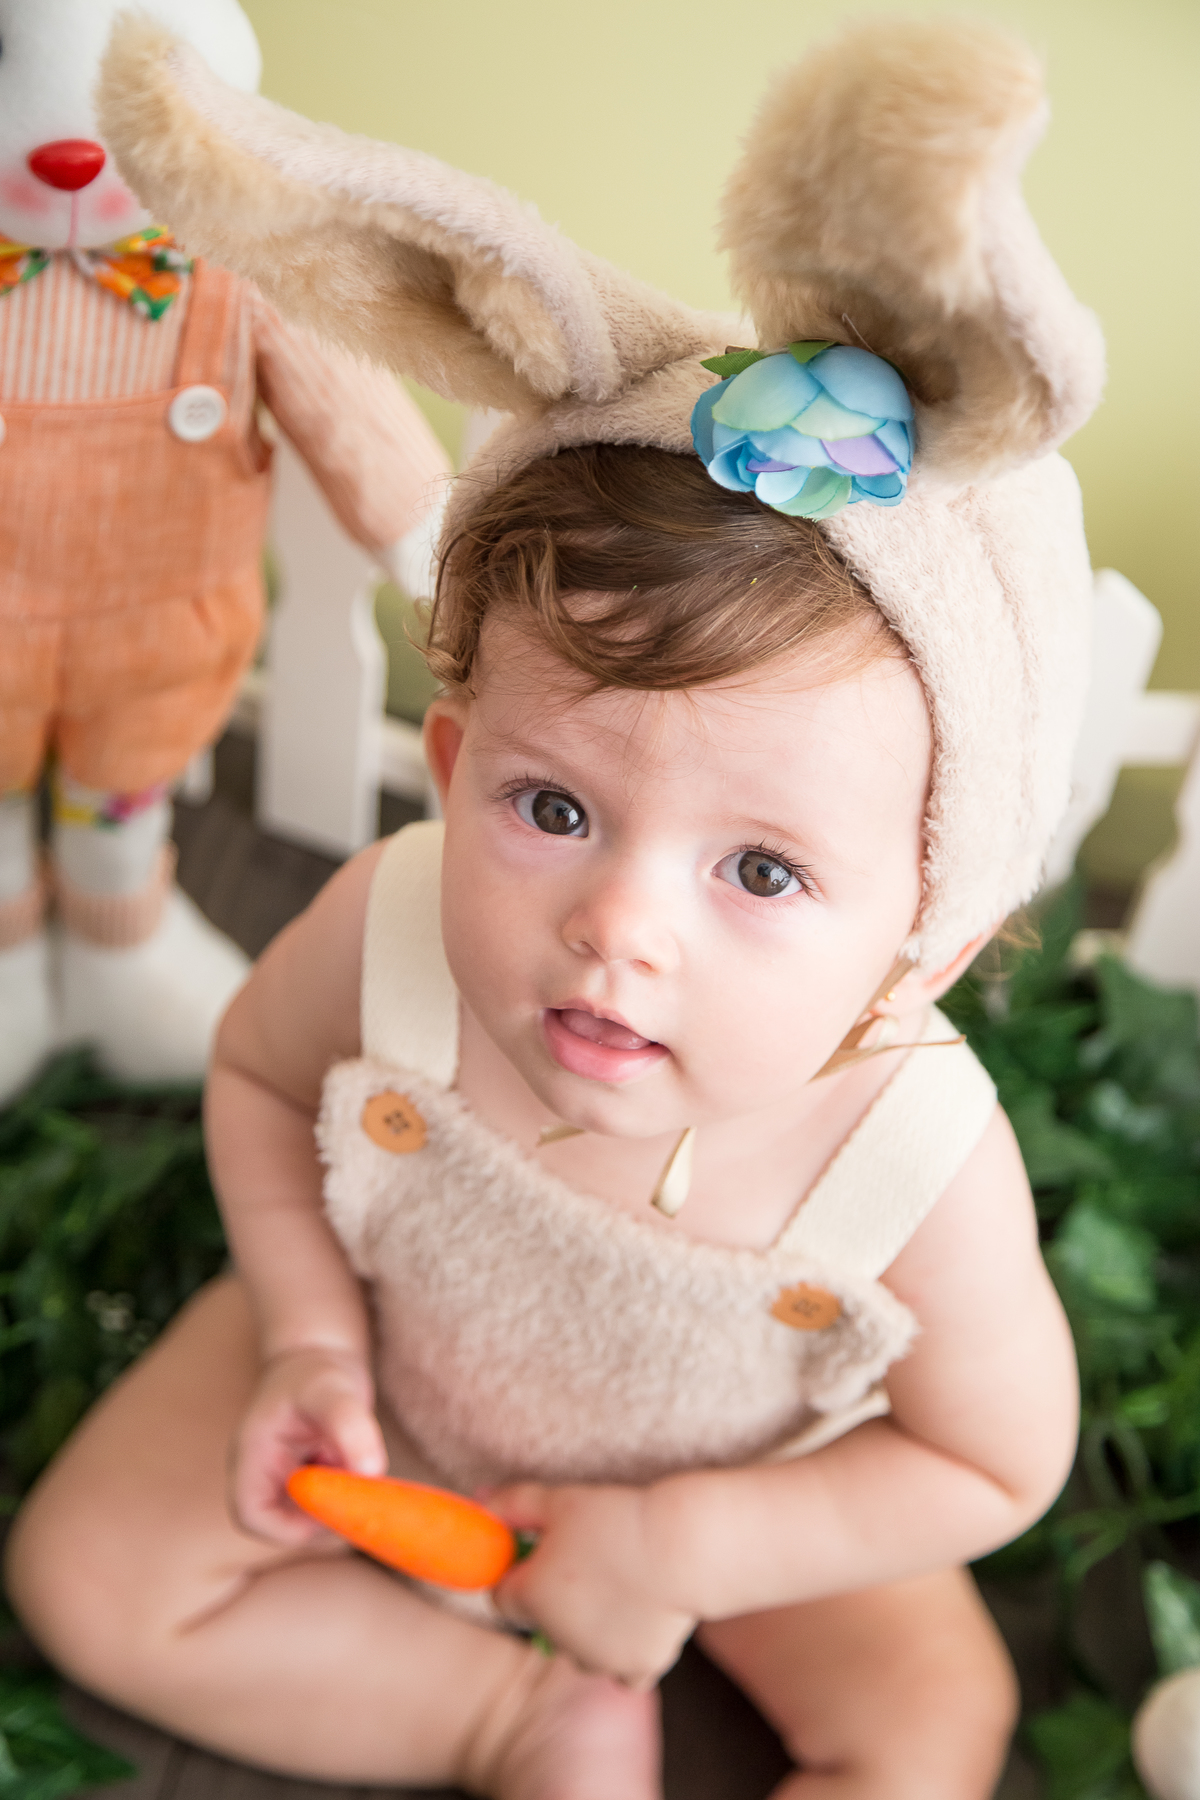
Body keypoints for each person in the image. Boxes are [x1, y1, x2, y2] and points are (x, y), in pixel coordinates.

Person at [6, 15, 1105, 1797]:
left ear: (928, 946)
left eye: (763, 871)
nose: (619, 928)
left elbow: (999, 1460)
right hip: (398, 1376)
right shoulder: (392, 926)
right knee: (88, 1577)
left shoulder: (909, 1153)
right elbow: (261, 1081)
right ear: (449, 769)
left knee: (931, 1731)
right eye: (554, 808)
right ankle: (508, 1719)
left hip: (745, 1486)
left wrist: (687, 1549)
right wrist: (306, 1330)